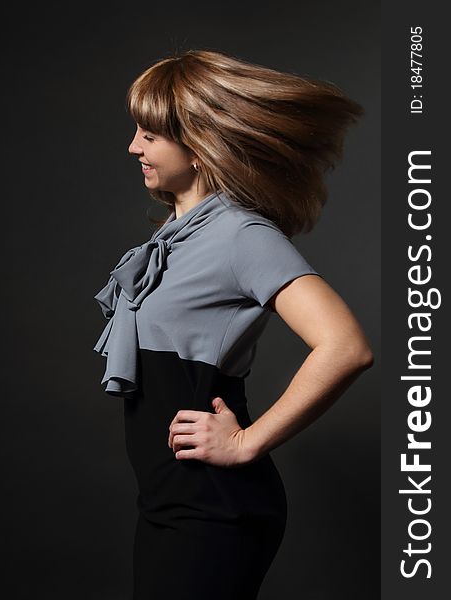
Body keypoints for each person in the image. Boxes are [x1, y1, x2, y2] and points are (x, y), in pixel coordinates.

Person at [93, 49, 374, 600]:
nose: (133, 148)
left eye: (149, 136)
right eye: (137, 133)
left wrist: (246, 443)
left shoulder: (242, 235)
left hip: (212, 509)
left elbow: (345, 346)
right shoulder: (176, 234)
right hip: (167, 503)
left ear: (198, 143)